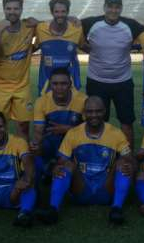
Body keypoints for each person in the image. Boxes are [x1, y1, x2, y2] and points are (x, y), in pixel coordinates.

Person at [37, 96, 134, 226]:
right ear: (84, 113)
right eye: (90, 111)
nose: (94, 115)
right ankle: (53, 210)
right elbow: (61, 161)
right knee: (66, 165)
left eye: (98, 111)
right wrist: (56, 167)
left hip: (106, 189)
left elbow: (130, 159)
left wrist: (130, 166)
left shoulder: (116, 133)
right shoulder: (73, 133)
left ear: (104, 111)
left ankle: (116, 210)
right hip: (81, 188)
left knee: (123, 163)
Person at [81, 0, 144, 148]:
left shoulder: (130, 25)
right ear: (104, 7)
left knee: (126, 122)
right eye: (110, 7)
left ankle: (128, 159)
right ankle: (98, 157)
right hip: (97, 82)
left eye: (117, 7)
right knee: (96, 122)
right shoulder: (90, 23)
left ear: (121, 8)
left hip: (122, 82)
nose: (113, 10)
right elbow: (68, 28)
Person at [0, 0, 38, 141]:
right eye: (9, 9)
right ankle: (0, 157)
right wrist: (0, 32)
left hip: (22, 86)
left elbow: (48, 28)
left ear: (21, 9)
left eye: (16, 8)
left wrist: (39, 22)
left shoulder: (29, 27)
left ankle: (22, 158)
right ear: (4, 9)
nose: (12, 12)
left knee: (23, 126)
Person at [31, 67, 86, 187]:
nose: (59, 88)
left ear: (70, 84)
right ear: (50, 85)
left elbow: (90, 130)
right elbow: (38, 131)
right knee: (36, 149)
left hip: (74, 142)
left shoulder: (82, 100)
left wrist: (67, 129)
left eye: (63, 83)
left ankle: (77, 173)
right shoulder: (41, 101)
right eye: (55, 84)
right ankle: (44, 174)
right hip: (51, 141)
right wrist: (36, 144)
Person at [35, 0, 85, 94]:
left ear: (68, 12)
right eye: (56, 12)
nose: (60, 15)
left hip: (71, 83)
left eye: (63, 11)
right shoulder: (40, 29)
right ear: (52, 12)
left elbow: (84, 46)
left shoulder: (77, 29)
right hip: (46, 83)